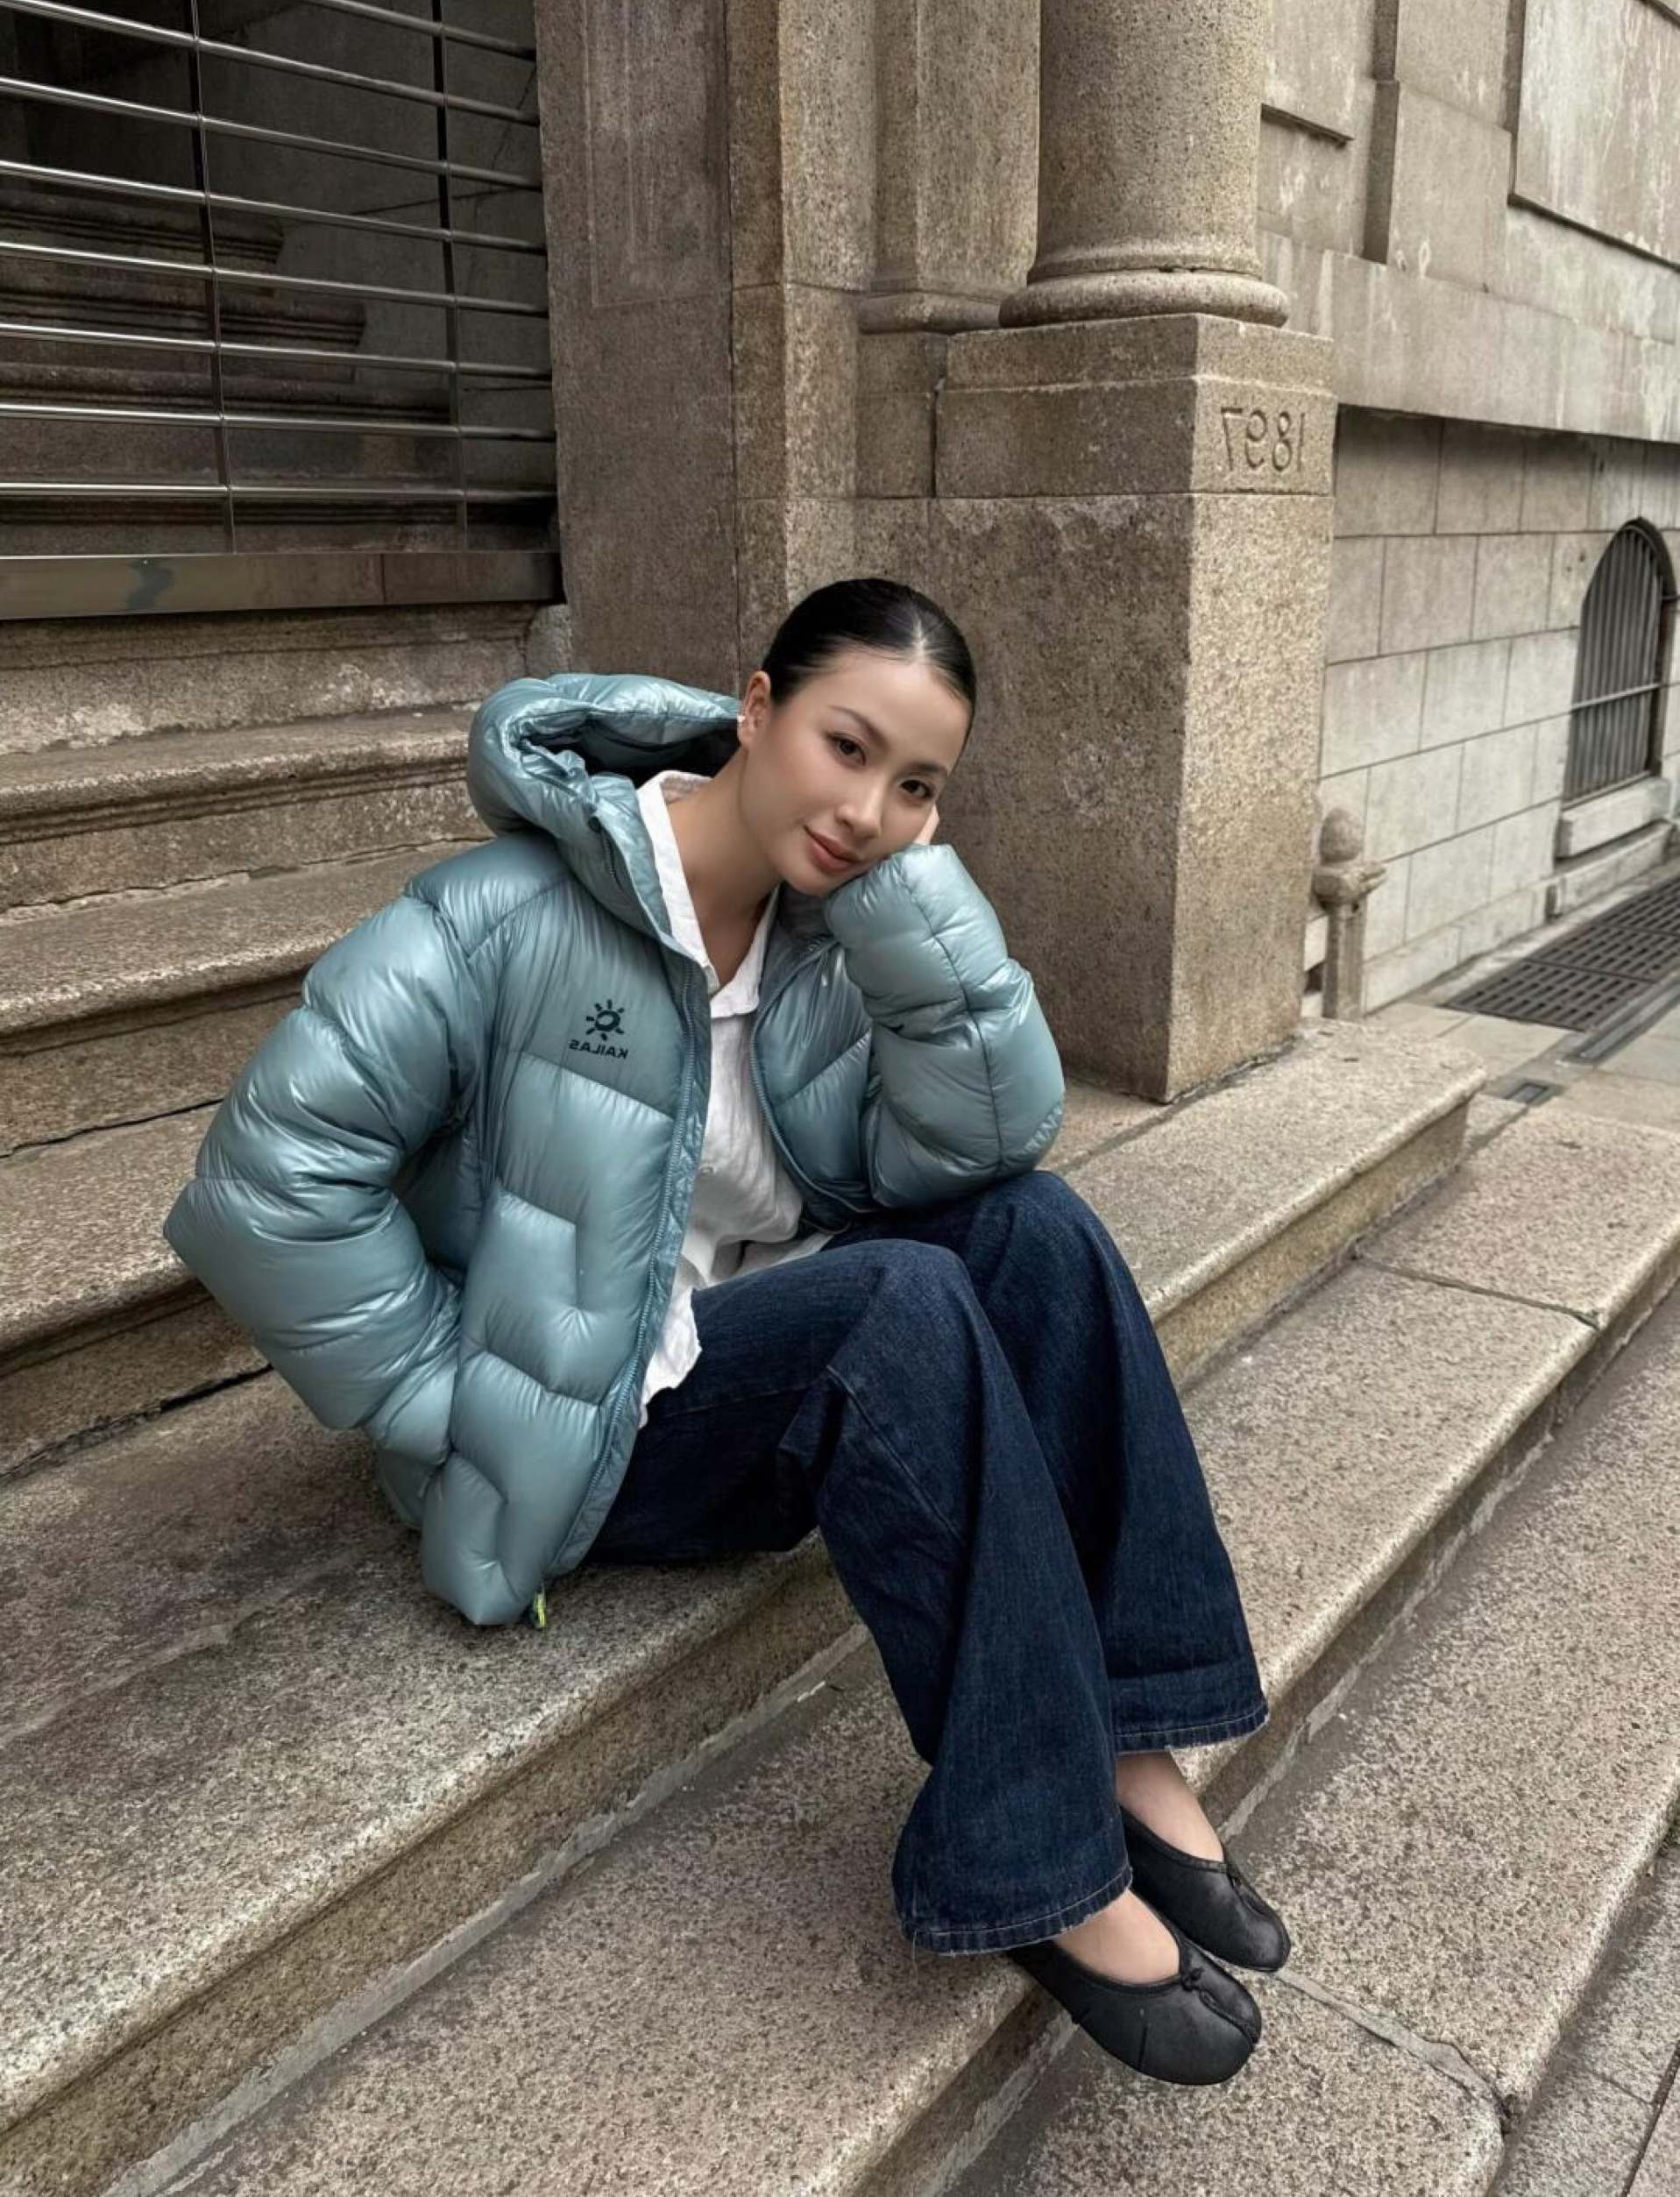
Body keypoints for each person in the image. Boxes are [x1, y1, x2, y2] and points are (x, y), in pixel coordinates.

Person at [163, 575, 1288, 2088]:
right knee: (897, 1304)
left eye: (915, 787)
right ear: (754, 709)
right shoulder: (502, 916)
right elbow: (266, 1188)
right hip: (601, 1433)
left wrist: (911, 908)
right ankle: (1036, 1861)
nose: (868, 809)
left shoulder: (832, 932)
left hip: (768, 1365)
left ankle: (1128, 1735)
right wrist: (458, 1405)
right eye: (845, 746)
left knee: (1036, 1229)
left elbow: (980, 1146)